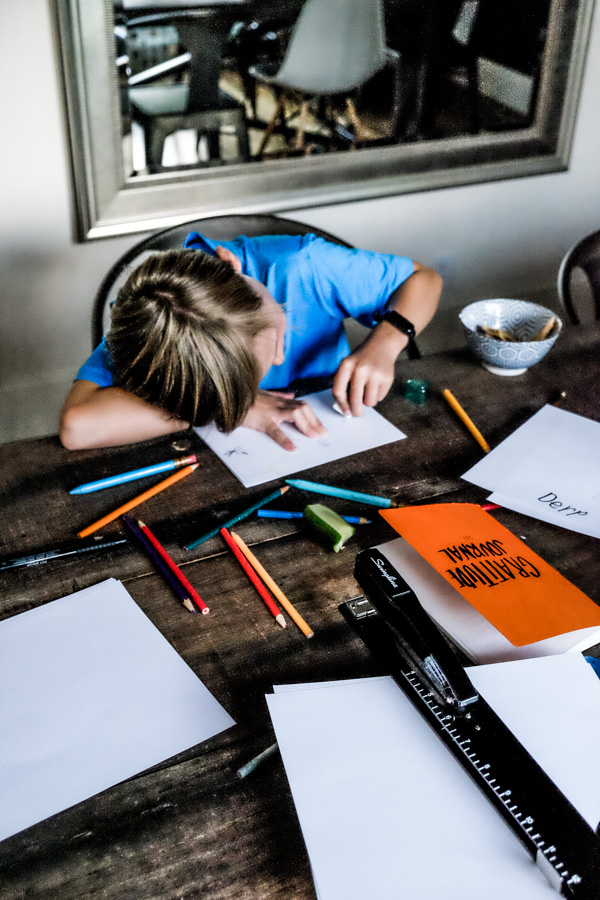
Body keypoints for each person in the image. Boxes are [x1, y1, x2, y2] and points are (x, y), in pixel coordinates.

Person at [59, 231, 442, 452]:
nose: (279, 358)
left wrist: (387, 342)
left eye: (277, 333)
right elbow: (79, 426)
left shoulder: (305, 264)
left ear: (230, 265)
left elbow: (424, 279)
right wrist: (230, 407)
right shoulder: (153, 326)